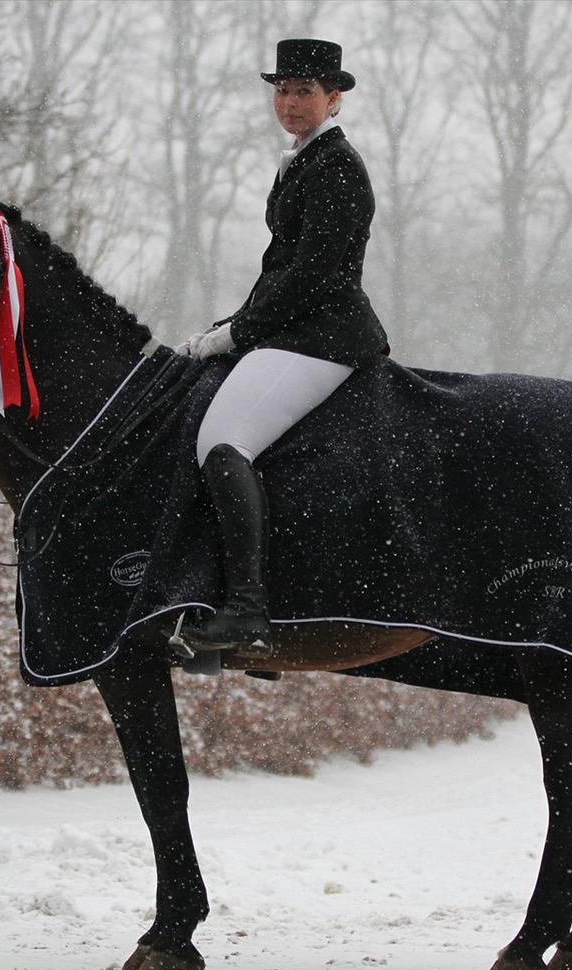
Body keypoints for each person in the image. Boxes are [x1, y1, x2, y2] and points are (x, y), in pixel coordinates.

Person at [180, 38, 389, 655]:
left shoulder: (338, 167)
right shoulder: (300, 160)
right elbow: (279, 269)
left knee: (222, 443)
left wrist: (238, 335)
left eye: (304, 92)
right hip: (296, 327)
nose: (290, 103)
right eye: (282, 90)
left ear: (334, 98)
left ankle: (247, 610)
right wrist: (226, 325)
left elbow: (313, 277)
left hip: (323, 335)